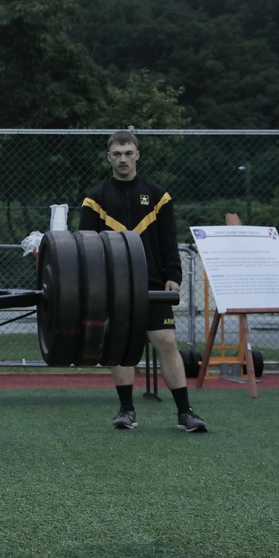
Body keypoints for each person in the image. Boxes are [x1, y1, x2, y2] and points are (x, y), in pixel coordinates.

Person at [79, 130, 208, 433]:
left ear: (137, 154)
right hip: (114, 285)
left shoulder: (159, 196)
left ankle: (185, 412)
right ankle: (126, 410)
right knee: (121, 346)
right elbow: (86, 246)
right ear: (109, 157)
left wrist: (173, 277)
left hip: (151, 284)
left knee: (166, 340)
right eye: (117, 154)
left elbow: (168, 241)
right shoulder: (94, 199)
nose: (123, 159)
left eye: (128, 153)